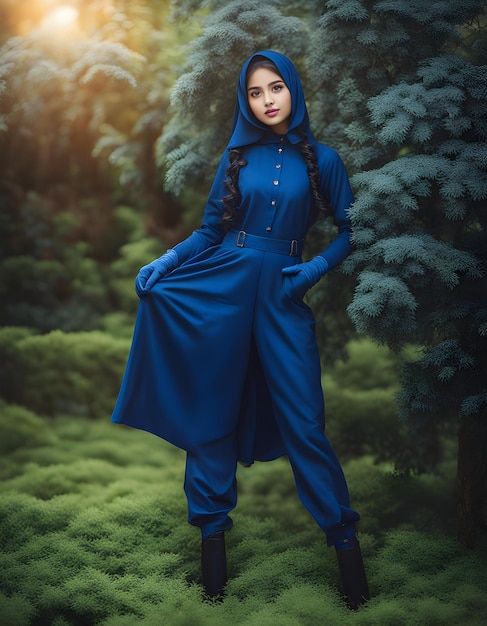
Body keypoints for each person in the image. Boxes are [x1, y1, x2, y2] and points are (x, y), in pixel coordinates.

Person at [112, 50, 369, 609]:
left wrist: (315, 269)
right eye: (255, 93)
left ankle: (348, 555)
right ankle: (213, 561)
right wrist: (166, 262)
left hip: (283, 293)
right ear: (245, 102)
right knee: (213, 412)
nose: (267, 100)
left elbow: (350, 231)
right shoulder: (236, 156)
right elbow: (209, 233)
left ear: (293, 90)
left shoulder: (323, 161)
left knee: (305, 420)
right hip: (221, 287)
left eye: (275, 87)